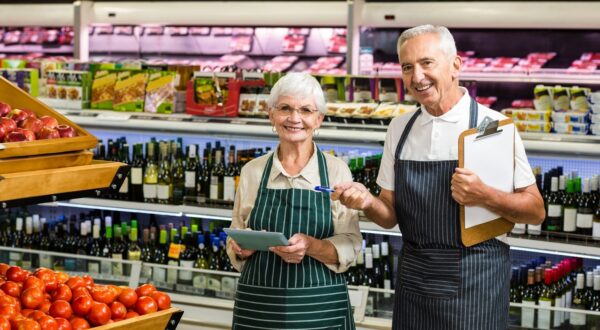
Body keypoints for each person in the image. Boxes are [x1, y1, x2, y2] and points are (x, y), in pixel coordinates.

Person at [332, 25, 545, 329]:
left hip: (477, 281)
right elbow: (389, 216)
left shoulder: (492, 126)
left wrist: (485, 195)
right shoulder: (400, 129)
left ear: (456, 65)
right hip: (414, 279)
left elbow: (536, 211)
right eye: (407, 67)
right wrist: (366, 201)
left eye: (427, 63)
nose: (417, 76)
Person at [226, 72, 361, 329]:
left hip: (320, 309)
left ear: (319, 119)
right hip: (260, 308)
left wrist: (310, 246)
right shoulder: (252, 171)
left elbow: (351, 245)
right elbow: (235, 237)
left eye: (306, 110)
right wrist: (239, 248)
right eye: (285, 108)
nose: (295, 118)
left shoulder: (336, 171)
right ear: (271, 115)